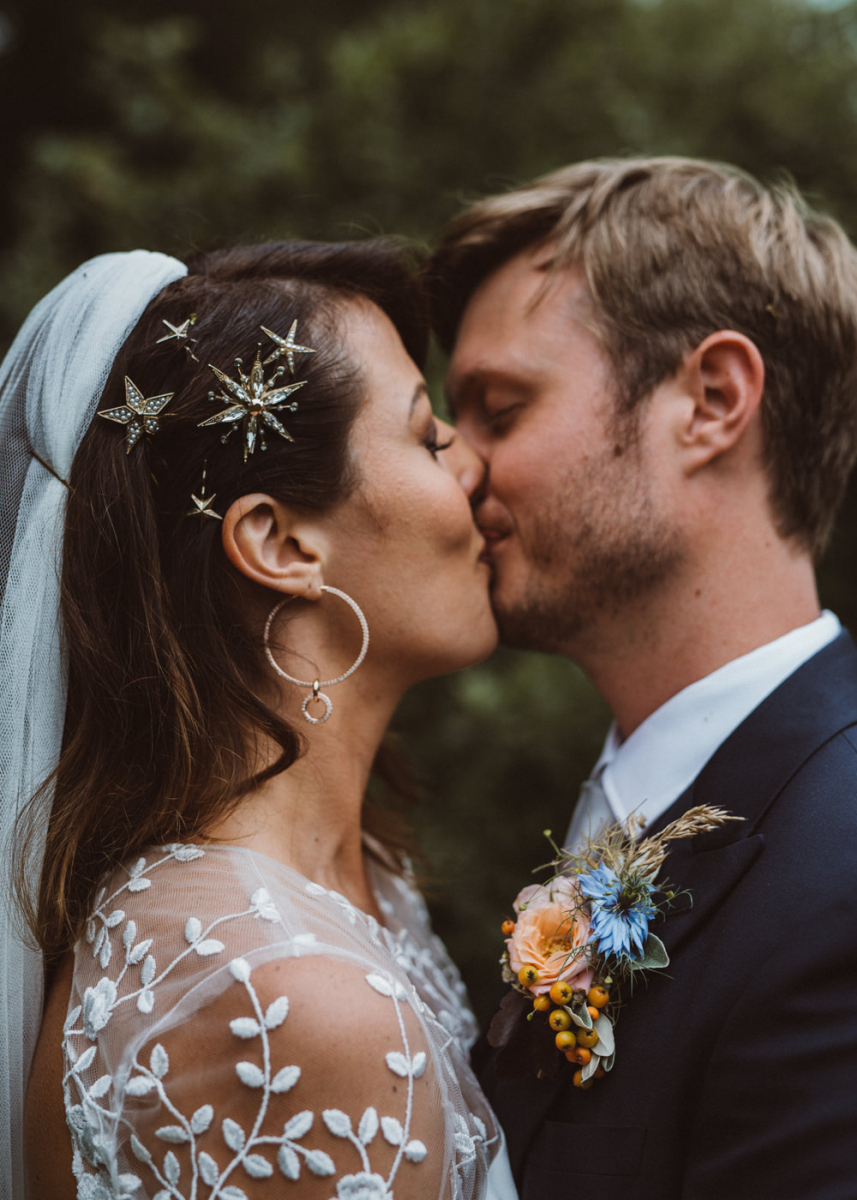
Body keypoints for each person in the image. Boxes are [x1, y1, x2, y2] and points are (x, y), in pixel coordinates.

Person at [0, 243, 519, 1199]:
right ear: (281, 544)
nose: (472, 460)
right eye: (425, 434)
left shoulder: (336, 889)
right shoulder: (283, 1000)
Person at [427, 157, 857, 1199]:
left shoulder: (838, 877)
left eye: (499, 407)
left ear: (709, 401)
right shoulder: (650, 809)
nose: (457, 466)